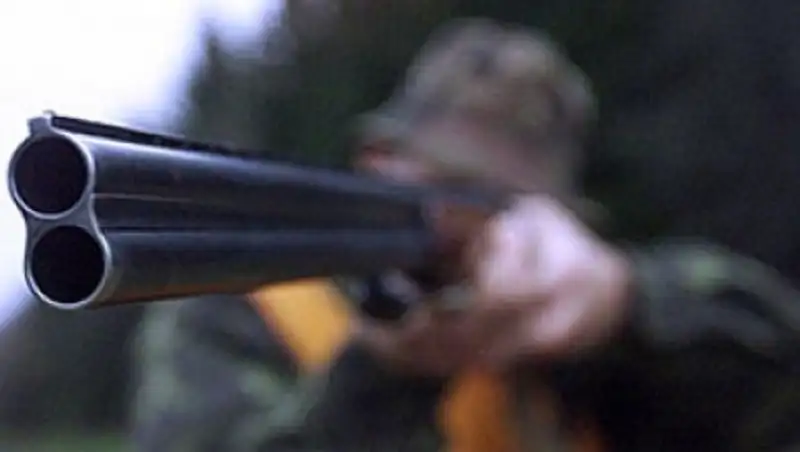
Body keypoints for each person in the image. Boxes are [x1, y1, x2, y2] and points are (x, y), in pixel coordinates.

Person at [131, 18, 800, 452]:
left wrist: (623, 302)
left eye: (516, 204)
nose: (485, 227)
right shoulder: (247, 309)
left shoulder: (583, 341)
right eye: (452, 181)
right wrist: (386, 376)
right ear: (377, 164)